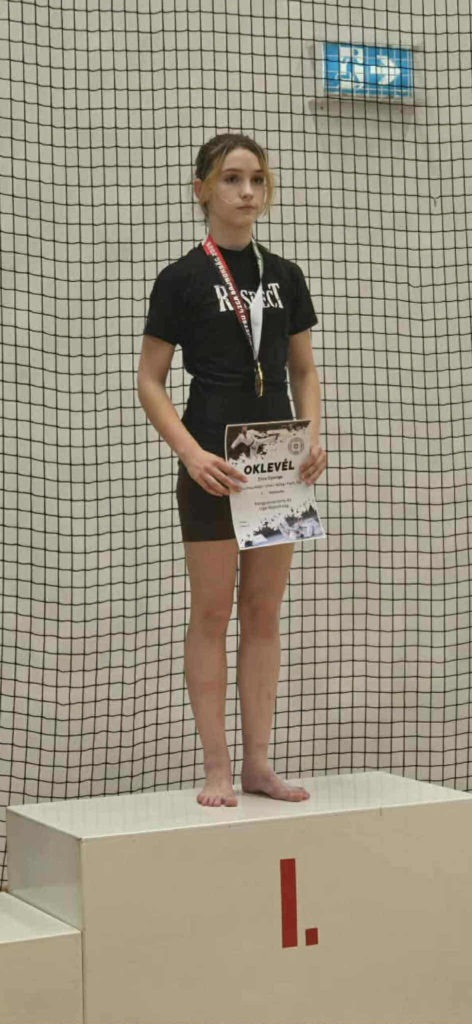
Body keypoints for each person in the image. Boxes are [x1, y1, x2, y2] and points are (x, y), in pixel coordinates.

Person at [137, 132, 327, 808]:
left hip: (277, 465)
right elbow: (150, 380)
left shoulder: (285, 277)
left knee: (264, 613)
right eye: (231, 179)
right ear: (202, 190)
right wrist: (190, 453)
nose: (247, 192)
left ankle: (257, 764)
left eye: (257, 179)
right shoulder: (183, 278)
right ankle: (216, 768)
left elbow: (303, 371)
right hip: (213, 467)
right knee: (213, 610)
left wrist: (312, 435)